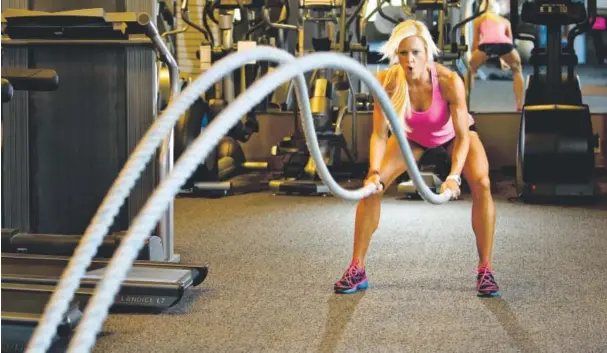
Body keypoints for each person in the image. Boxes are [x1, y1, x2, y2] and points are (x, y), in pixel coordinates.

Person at [333, 19, 500, 297]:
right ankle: (356, 267)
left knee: (482, 182)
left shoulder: (448, 81)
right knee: (371, 188)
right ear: (395, 55)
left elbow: (461, 137)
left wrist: (453, 176)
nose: (409, 61)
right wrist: (375, 171)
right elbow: (378, 135)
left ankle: (485, 270)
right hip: (412, 139)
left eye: (416, 53)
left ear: (427, 53)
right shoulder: (385, 82)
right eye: (403, 53)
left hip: (452, 136)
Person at [467, 0, 524, 111]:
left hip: (486, 45)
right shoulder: (505, 21)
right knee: (517, 70)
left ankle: (465, 103)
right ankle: (520, 106)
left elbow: (475, 42)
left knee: (470, 70)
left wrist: (474, 59)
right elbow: (509, 43)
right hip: (505, 45)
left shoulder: (479, 20)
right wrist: (503, 60)